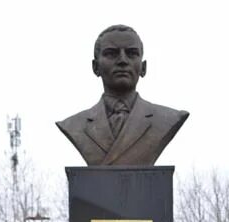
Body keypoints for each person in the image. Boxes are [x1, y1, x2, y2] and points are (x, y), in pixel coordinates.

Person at [57, 24, 189, 166]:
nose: (122, 60)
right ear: (95, 67)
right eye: (111, 53)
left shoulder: (167, 119)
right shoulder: (75, 125)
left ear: (143, 68)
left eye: (131, 53)